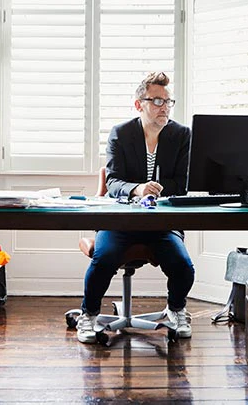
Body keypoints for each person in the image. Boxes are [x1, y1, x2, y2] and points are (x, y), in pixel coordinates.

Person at [77, 72, 195, 344]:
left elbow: (182, 183)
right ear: (139, 104)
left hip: (161, 223)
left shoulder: (181, 135)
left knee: (183, 266)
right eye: (157, 100)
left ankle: (176, 309)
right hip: (121, 221)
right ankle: (89, 315)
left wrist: (157, 189)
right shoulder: (121, 133)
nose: (164, 107)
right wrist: (138, 189)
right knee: (103, 259)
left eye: (168, 101)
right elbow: (113, 182)